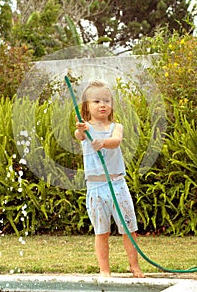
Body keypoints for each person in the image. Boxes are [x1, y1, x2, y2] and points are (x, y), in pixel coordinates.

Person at [75, 80, 145, 278]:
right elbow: (78, 134)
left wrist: (101, 142)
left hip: (117, 184)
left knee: (129, 228)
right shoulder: (85, 128)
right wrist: (82, 129)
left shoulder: (116, 126)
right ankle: (104, 270)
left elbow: (115, 142)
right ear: (86, 107)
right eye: (96, 101)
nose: (102, 104)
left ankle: (134, 266)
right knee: (101, 232)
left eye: (106, 100)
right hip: (96, 188)